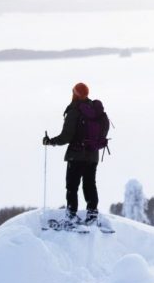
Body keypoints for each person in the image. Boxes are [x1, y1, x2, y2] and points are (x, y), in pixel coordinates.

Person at [43, 82, 106, 226]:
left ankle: (71, 215)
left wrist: (50, 141)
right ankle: (92, 214)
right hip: (93, 155)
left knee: (72, 186)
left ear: (75, 94)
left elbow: (66, 137)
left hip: (76, 156)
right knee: (90, 184)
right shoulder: (94, 110)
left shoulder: (75, 110)